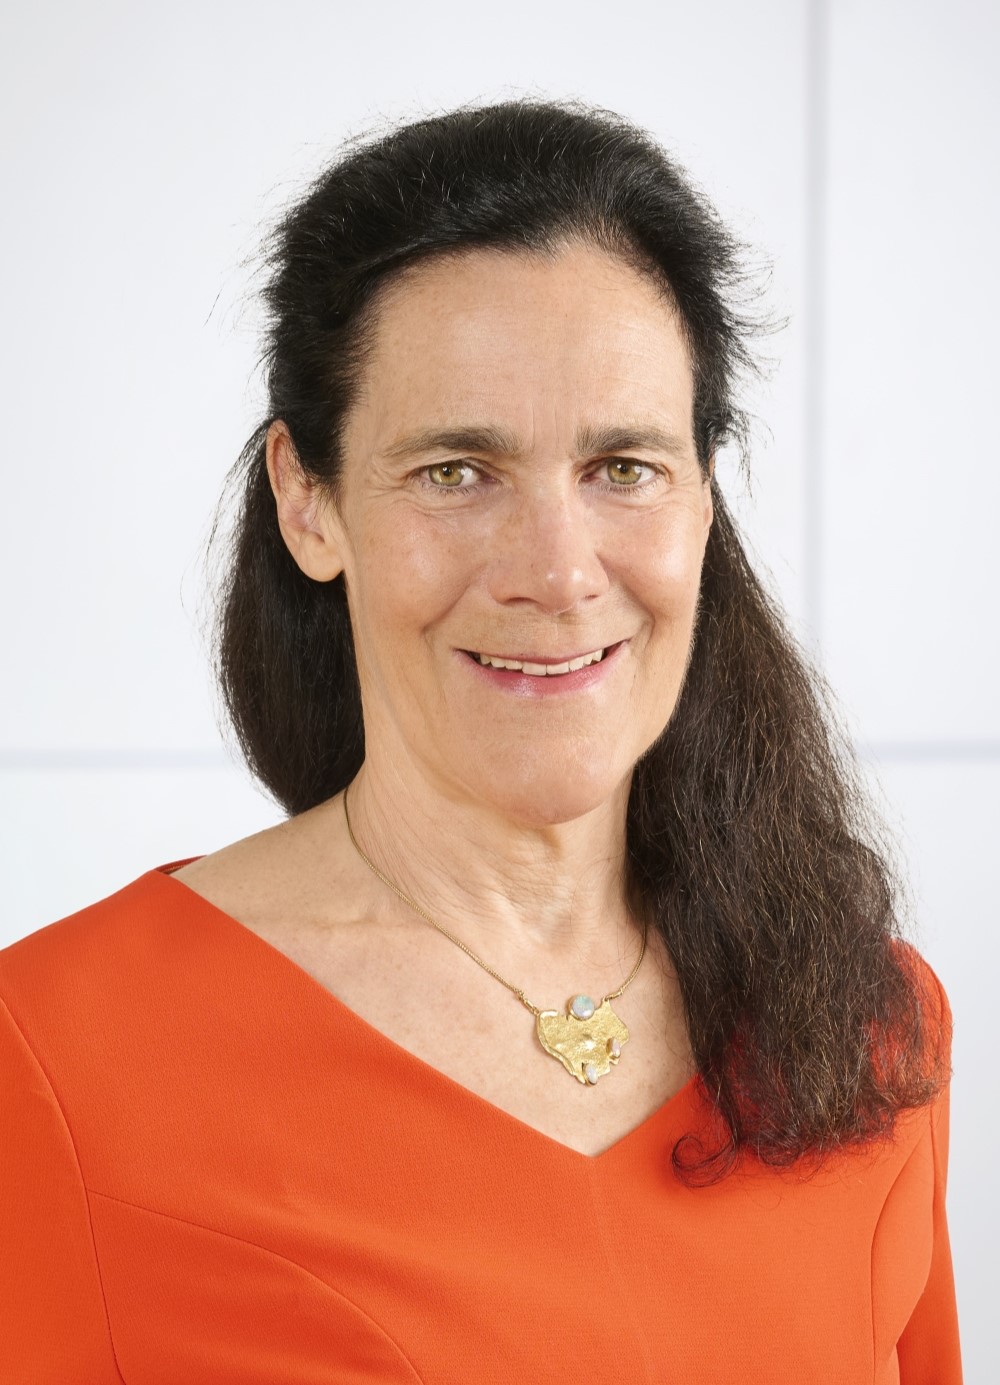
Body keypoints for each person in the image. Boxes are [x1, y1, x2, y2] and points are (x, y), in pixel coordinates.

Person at [0, 96, 961, 1382]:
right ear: (308, 500)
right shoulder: (57, 1056)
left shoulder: (867, 1022)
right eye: (457, 469)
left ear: (703, 496)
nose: (558, 574)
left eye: (624, 465)